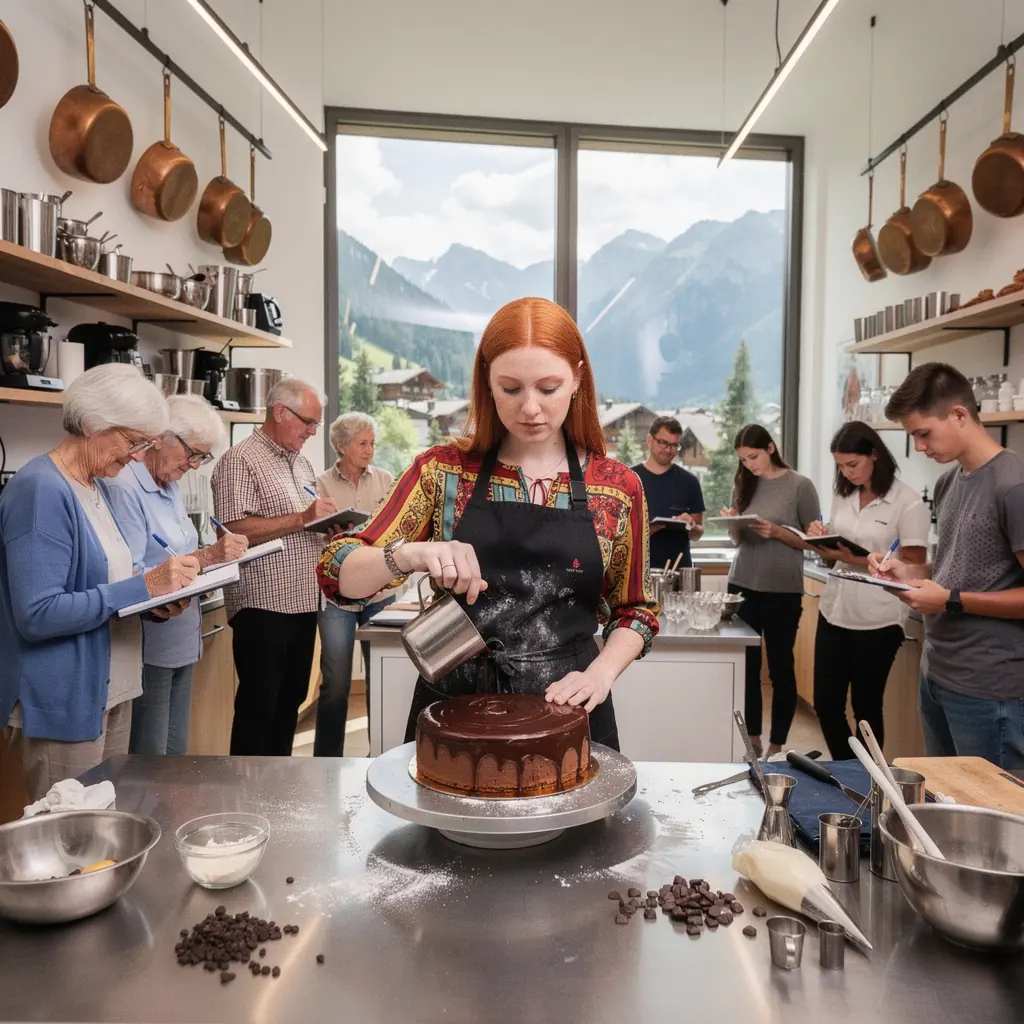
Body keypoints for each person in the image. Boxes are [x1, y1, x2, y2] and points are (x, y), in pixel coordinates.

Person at [317, 297, 660, 749]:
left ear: (577, 378)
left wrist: (601, 673)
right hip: (454, 714)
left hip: (570, 707)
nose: (531, 408)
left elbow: (635, 611)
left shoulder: (616, 487)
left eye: (549, 388)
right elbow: (338, 571)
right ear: (487, 383)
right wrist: (411, 553)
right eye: (511, 389)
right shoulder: (441, 472)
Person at [0, 365, 199, 800]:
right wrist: (143, 587)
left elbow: (112, 584)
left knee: (102, 831)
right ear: (91, 424)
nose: (136, 456)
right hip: (64, 698)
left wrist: (157, 601)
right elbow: (37, 613)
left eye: (145, 445)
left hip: (113, 688)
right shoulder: (40, 490)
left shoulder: (101, 487)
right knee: (71, 845)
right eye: (133, 442)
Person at [869, 363, 1024, 770]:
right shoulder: (949, 483)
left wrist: (950, 600)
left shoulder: (1014, 485)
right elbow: (960, 567)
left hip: (992, 687)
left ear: (958, 415)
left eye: (923, 433)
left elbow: (958, 592)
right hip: (937, 673)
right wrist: (910, 573)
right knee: (946, 807)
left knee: (989, 819)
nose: (919, 447)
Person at [106, 395, 249, 756]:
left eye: (203, 457)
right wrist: (209, 555)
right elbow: (131, 572)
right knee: (150, 763)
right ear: (162, 438)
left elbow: (179, 552)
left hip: (182, 639)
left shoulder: (169, 484)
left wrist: (210, 566)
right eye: (193, 454)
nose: (196, 466)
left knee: (175, 760)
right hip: (149, 645)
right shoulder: (125, 487)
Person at [211, 379, 338, 756]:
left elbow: (303, 521)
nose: (313, 433)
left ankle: (275, 796)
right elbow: (233, 529)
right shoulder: (241, 460)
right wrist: (302, 518)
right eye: (308, 423)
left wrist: (329, 526)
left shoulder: (302, 464)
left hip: (302, 601)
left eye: (316, 424)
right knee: (259, 707)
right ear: (280, 412)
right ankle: (245, 801)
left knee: (290, 703)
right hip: (263, 604)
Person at [807, 423, 928, 759]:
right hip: (835, 610)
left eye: (852, 464)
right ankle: (854, 775)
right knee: (826, 705)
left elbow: (915, 567)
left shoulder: (907, 502)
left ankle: (868, 786)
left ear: (874, 454)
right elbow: (839, 547)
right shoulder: (843, 494)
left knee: (865, 710)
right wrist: (823, 537)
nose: (846, 472)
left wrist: (855, 559)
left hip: (878, 619)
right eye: (841, 466)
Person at [723, 423, 820, 758]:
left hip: (782, 589)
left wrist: (778, 533)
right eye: (744, 460)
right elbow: (737, 541)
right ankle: (752, 739)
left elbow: (814, 543)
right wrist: (734, 524)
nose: (750, 465)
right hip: (741, 585)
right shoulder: (744, 483)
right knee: (747, 667)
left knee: (780, 668)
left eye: (753, 456)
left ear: (771, 447)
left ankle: (777, 744)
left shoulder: (800, 486)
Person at [313, 412, 395, 756]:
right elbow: (314, 537)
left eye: (373, 443)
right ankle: (327, 760)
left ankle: (381, 755)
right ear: (342, 446)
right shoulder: (320, 484)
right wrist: (330, 532)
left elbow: (396, 527)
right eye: (363, 443)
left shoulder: (386, 479)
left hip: (380, 592)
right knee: (335, 683)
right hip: (337, 597)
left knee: (381, 680)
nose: (370, 450)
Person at [633, 416, 705, 570]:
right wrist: (644, 531)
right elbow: (614, 531)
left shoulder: (690, 482)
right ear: (650, 440)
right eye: (663, 443)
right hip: (637, 572)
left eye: (674, 445)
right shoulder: (629, 479)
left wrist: (691, 526)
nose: (668, 450)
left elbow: (698, 533)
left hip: (678, 571)